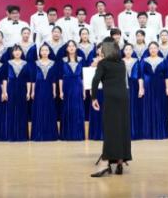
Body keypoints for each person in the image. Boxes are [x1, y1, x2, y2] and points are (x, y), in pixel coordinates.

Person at [90, 39, 132, 177]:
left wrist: (94, 98)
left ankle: (105, 162)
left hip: (111, 98)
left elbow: (95, 80)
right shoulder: (122, 63)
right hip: (124, 97)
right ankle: (120, 162)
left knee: (110, 129)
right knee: (122, 128)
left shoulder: (103, 63)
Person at [140, 42, 168, 140]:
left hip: (160, 86)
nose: (153, 50)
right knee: (148, 107)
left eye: (155, 48)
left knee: (160, 107)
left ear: (158, 49)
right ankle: (148, 132)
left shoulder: (163, 60)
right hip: (148, 86)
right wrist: (141, 88)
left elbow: (167, 76)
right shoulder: (144, 61)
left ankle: (161, 132)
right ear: (148, 50)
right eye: (151, 48)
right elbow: (141, 76)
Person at [30, 44, 59, 141]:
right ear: (40, 52)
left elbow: (54, 80)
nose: (44, 52)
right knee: (39, 108)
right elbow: (33, 79)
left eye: (46, 50)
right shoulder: (35, 63)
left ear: (49, 52)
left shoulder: (53, 63)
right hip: (38, 88)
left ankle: (50, 134)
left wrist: (54, 91)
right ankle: (38, 133)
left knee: (49, 109)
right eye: (42, 50)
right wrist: (32, 91)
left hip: (49, 88)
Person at [59, 41, 86, 141]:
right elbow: (60, 78)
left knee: (77, 109)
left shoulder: (81, 60)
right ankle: (67, 134)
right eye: (69, 46)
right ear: (66, 48)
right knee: (67, 109)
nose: (71, 48)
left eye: (73, 46)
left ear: (76, 48)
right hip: (67, 86)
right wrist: (61, 91)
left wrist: (84, 91)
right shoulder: (63, 60)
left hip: (78, 86)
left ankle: (78, 134)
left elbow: (83, 77)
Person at [5, 45, 32, 142]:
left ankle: (22, 135)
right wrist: (5, 91)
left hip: (22, 88)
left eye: (19, 50)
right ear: (12, 53)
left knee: (22, 110)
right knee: (11, 110)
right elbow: (5, 79)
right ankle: (11, 134)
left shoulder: (26, 64)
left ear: (21, 52)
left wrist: (28, 92)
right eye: (15, 50)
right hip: (11, 88)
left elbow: (28, 80)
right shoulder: (8, 63)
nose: (17, 52)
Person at [122, 44, 145, 140]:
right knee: (124, 109)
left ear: (132, 51)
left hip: (135, 87)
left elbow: (140, 76)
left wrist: (141, 88)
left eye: (130, 49)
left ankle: (136, 132)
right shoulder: (120, 62)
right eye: (126, 49)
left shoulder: (137, 61)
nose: (128, 51)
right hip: (123, 87)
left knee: (134, 108)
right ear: (123, 51)